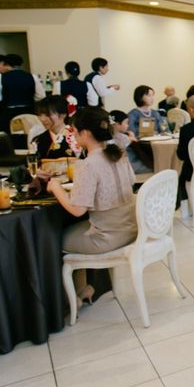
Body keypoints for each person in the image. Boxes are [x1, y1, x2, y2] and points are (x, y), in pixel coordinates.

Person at [47, 107, 137, 306]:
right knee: (76, 229)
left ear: (85, 133)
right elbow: (131, 182)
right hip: (130, 229)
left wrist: (56, 188)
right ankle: (84, 289)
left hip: (107, 238)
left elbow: (78, 209)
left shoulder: (88, 164)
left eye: (74, 131)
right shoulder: (119, 154)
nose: (73, 135)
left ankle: (69, 299)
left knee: (50, 239)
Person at [0, 54, 45, 131]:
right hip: (29, 111)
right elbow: (41, 96)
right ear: (21, 64)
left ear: (6, 64)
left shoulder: (1, 77)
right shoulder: (32, 76)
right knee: (30, 133)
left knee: (12, 135)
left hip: (9, 113)